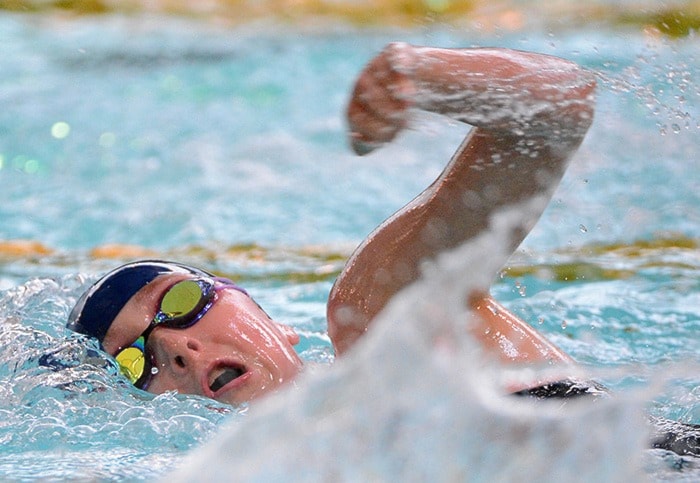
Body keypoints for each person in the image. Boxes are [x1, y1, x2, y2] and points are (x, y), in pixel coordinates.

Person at [66, 43, 699, 456]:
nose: (175, 346)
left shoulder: (386, 317)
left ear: (269, 319)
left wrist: (422, 76)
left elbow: (556, 107)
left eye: (180, 302)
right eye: (135, 362)